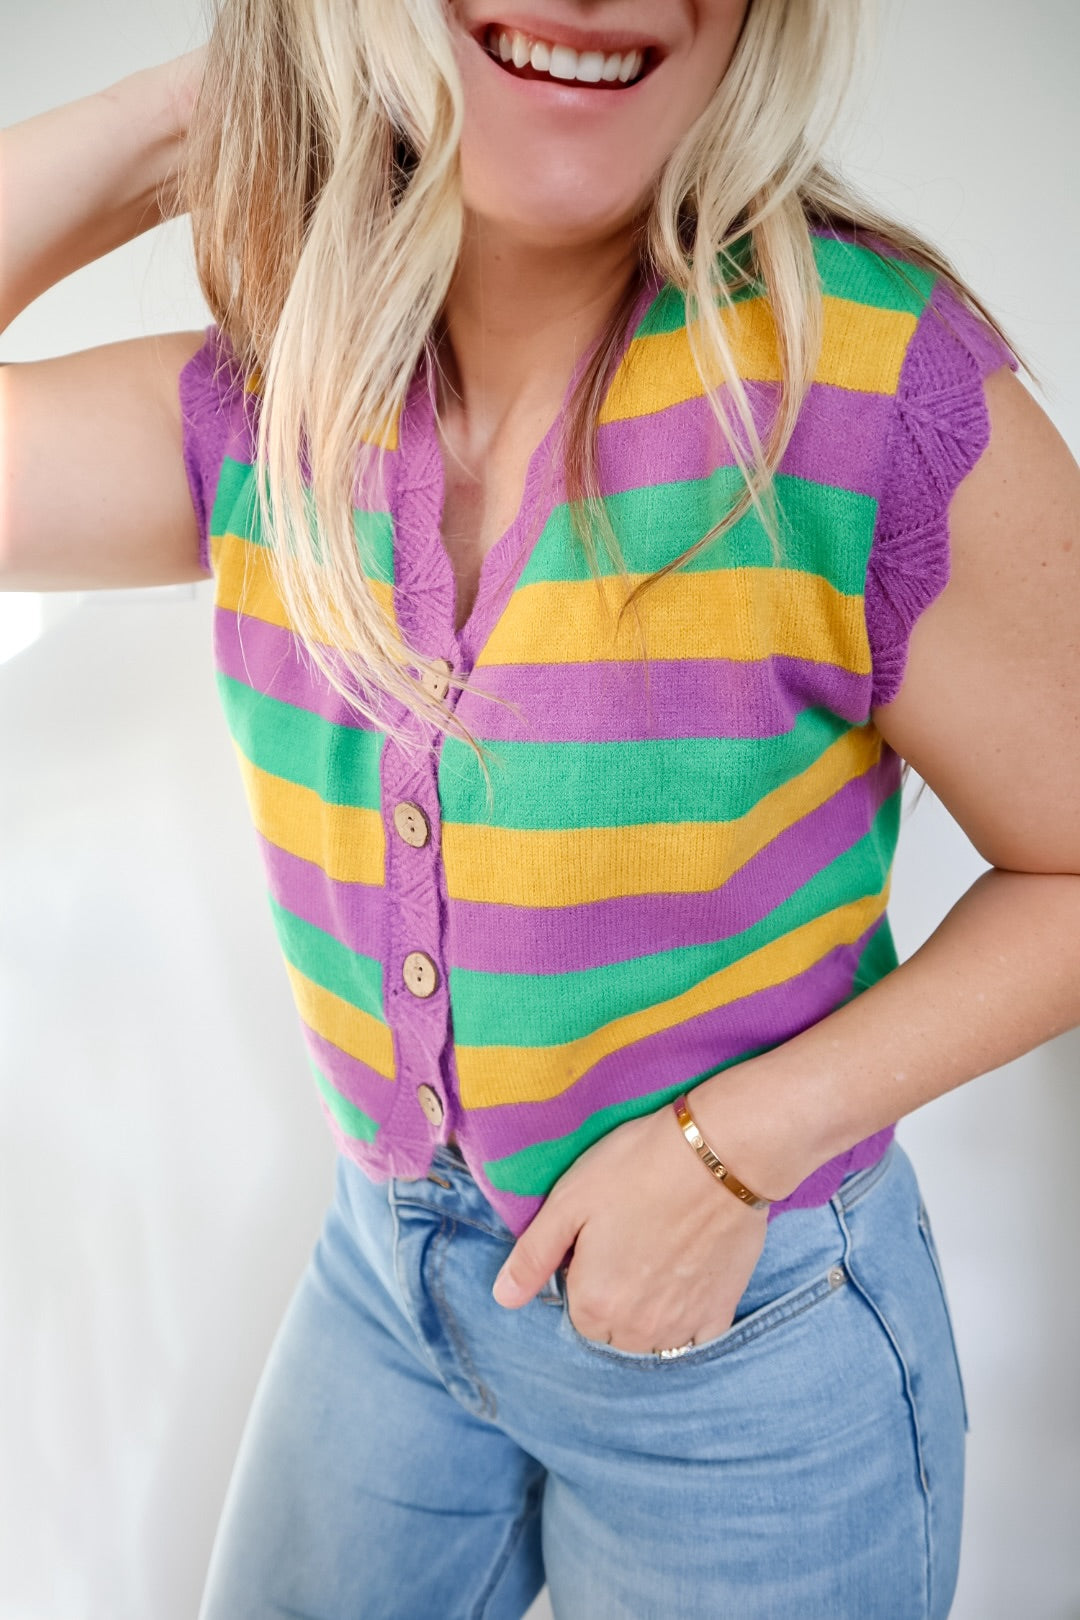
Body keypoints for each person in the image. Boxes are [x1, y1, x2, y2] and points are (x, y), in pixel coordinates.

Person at [2, 3, 1078, 1616]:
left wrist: (731, 1154)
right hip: (387, 1285)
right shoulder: (278, 408)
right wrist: (236, 92)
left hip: (752, 1339)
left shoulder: (865, 389)